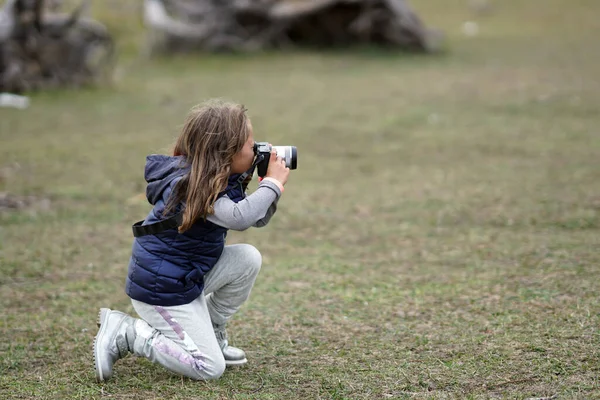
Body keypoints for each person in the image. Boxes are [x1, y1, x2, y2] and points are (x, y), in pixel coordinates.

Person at [93, 100, 290, 382]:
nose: (257, 148)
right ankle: (127, 333)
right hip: (163, 291)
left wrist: (266, 186)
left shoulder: (216, 178)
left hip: (186, 275)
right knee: (210, 367)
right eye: (250, 144)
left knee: (248, 258)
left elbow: (255, 218)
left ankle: (210, 328)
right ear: (225, 154)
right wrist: (273, 183)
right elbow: (240, 218)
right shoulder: (193, 187)